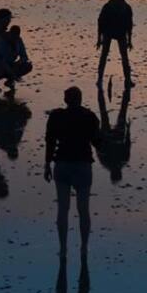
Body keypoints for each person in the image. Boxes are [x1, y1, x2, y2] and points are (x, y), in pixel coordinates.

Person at [44, 85, 105, 251]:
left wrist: (47, 164)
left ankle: (63, 247)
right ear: (80, 99)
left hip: (62, 165)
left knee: (63, 209)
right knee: (83, 209)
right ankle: (84, 246)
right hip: (83, 165)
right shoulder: (90, 117)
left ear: (65, 100)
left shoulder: (56, 117)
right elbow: (97, 143)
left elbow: (50, 142)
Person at [96, 0, 134, 87]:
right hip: (109, 33)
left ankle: (127, 80)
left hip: (118, 33)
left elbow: (129, 25)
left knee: (123, 57)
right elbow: (100, 22)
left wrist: (129, 40)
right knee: (106, 56)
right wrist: (99, 39)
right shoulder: (109, 7)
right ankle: (100, 79)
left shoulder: (125, 8)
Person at [0, 22, 34, 95]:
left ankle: (10, 81)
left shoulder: (18, 40)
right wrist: (11, 73)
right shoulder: (1, 40)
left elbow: (24, 56)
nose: (15, 38)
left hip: (10, 64)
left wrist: (19, 62)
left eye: (16, 36)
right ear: (9, 33)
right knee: (0, 71)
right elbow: (0, 61)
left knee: (28, 66)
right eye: (13, 36)